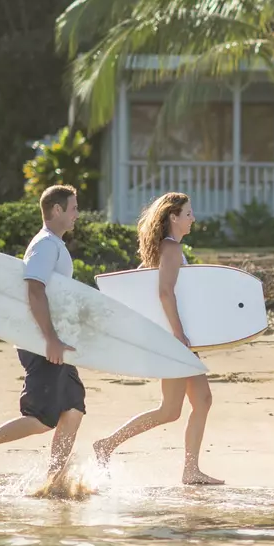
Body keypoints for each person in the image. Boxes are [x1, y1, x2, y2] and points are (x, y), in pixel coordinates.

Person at [0, 185, 85, 484]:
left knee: (74, 407)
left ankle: (54, 479)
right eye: (73, 208)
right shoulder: (45, 245)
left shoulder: (55, 245)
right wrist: (50, 339)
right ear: (56, 210)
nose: (77, 214)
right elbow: (34, 288)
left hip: (52, 339)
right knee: (42, 418)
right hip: (41, 341)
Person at [92, 192, 223, 485]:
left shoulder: (166, 249)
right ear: (173, 217)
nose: (193, 218)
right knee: (171, 409)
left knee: (199, 401)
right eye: (188, 213)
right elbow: (164, 293)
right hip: (173, 339)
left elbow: (144, 283)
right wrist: (178, 333)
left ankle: (190, 469)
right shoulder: (171, 249)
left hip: (174, 337)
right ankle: (107, 445)